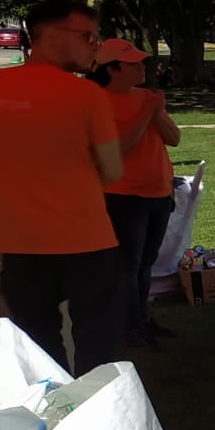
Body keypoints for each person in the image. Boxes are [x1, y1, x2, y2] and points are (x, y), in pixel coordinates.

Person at [0, 0, 123, 373]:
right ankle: (99, 417)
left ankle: (54, 415)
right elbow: (113, 170)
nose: (94, 46)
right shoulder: (87, 95)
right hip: (85, 239)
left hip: (18, 243)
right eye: (88, 36)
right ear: (52, 35)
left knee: (38, 348)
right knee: (97, 344)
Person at [87, 39, 180, 347]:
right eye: (134, 63)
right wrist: (147, 112)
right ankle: (131, 324)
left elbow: (175, 138)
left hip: (159, 193)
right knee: (129, 264)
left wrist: (156, 111)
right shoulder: (96, 101)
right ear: (112, 69)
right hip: (124, 196)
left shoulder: (146, 97)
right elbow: (116, 149)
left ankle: (140, 318)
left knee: (145, 262)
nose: (142, 67)